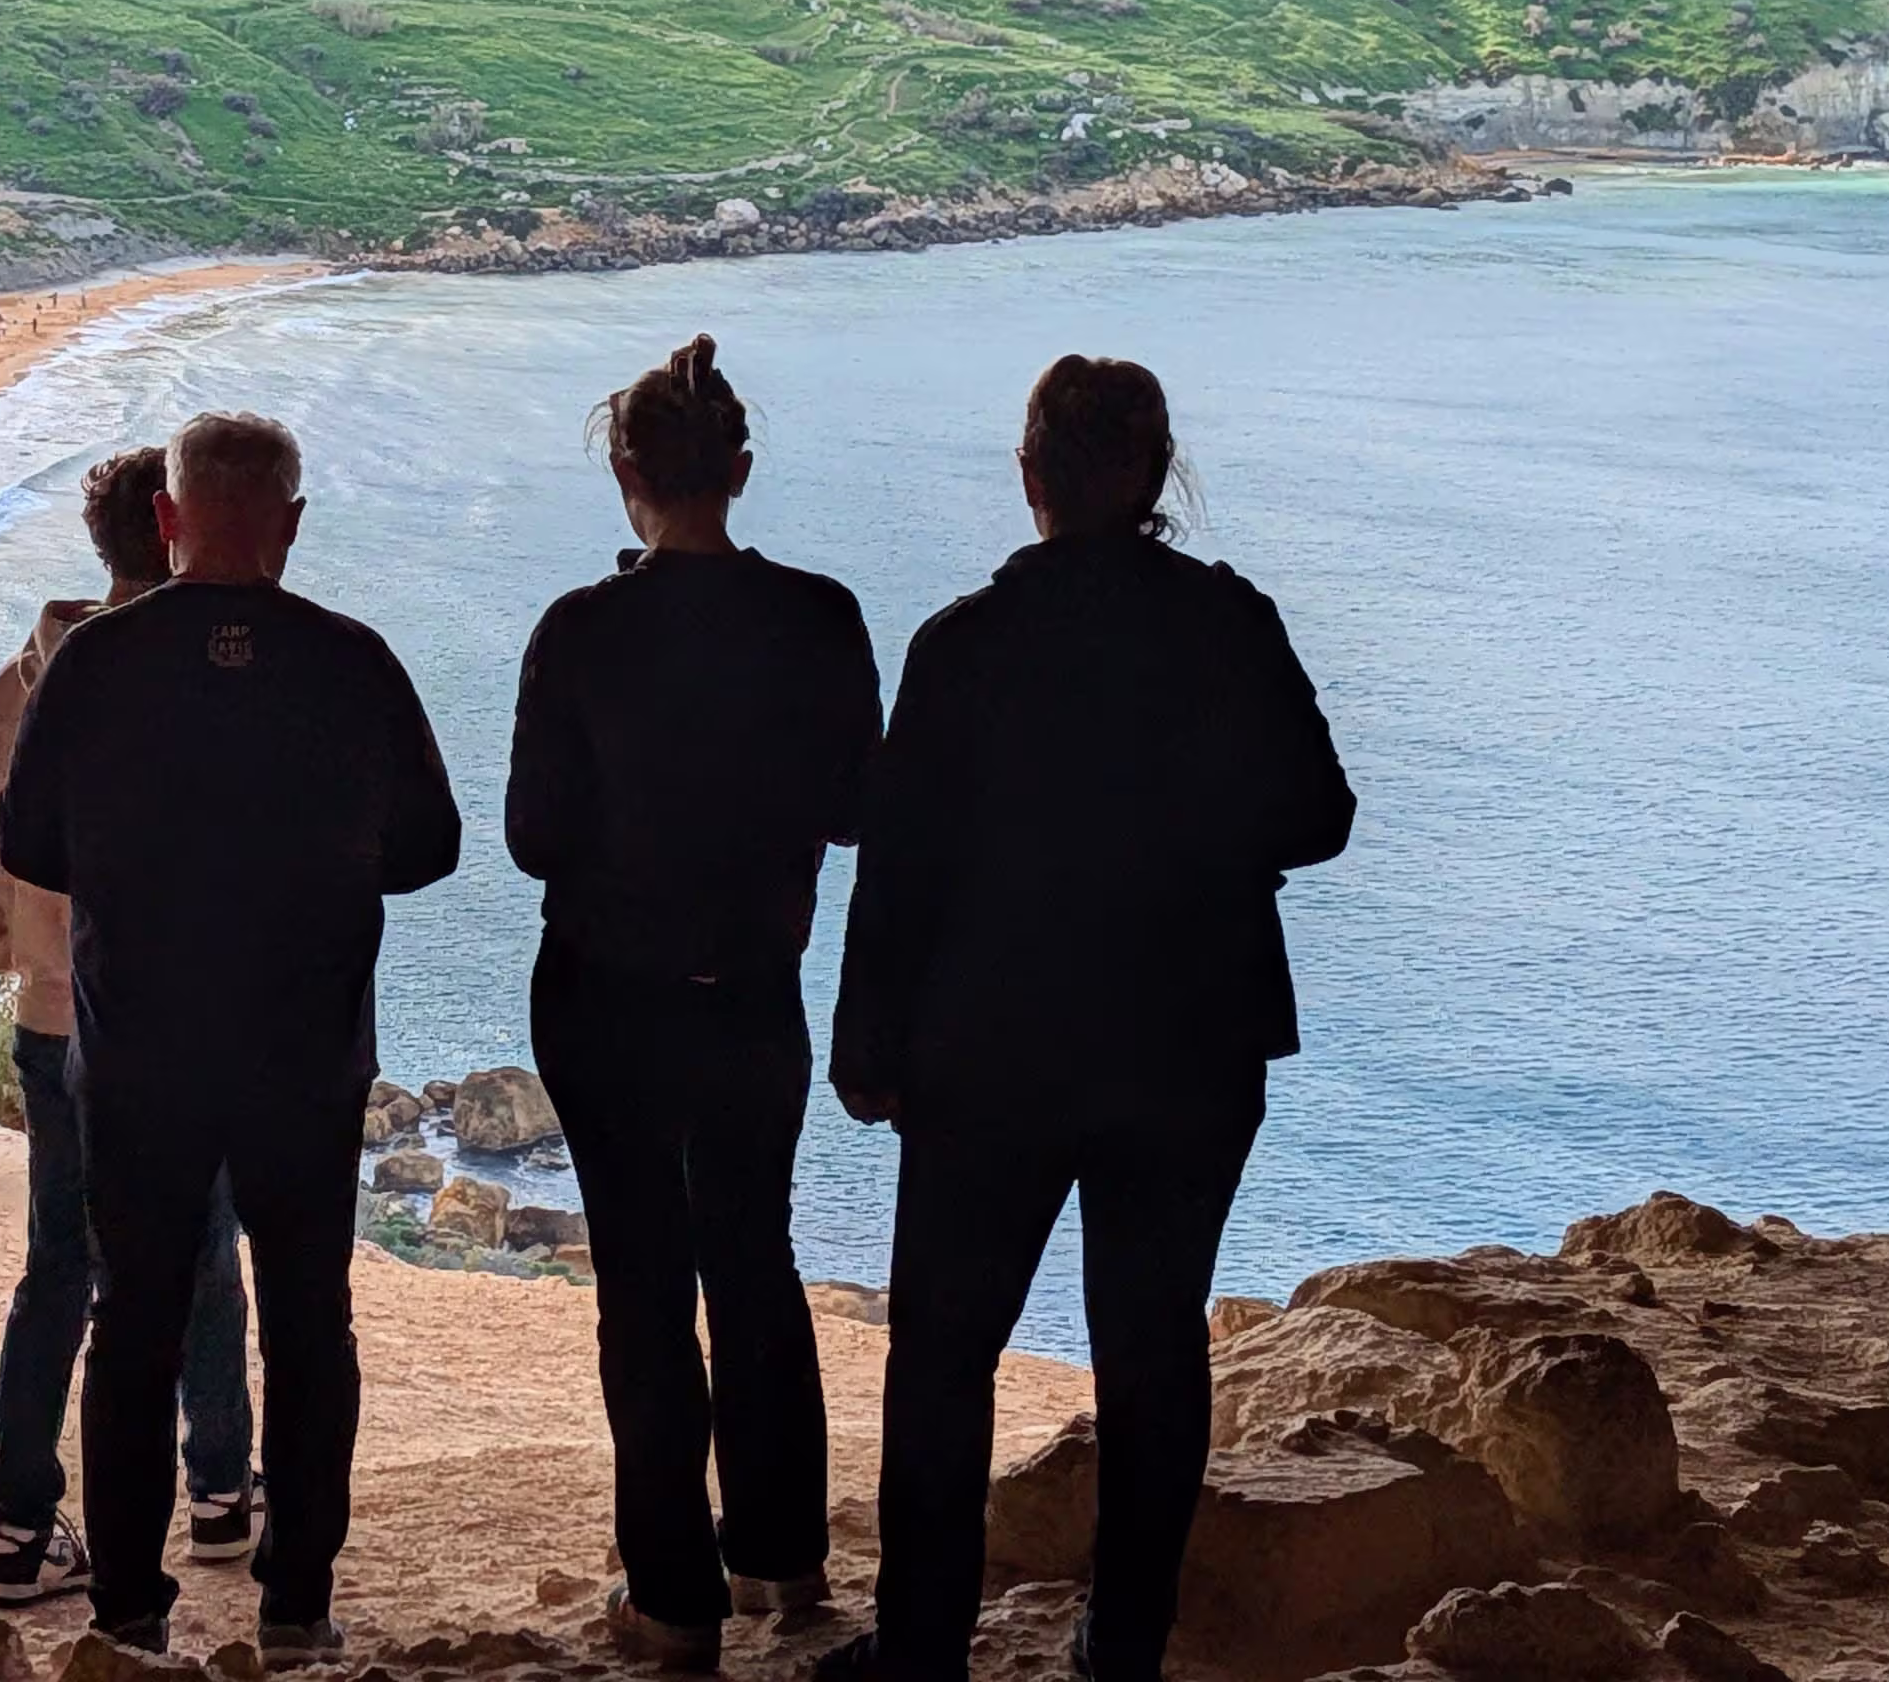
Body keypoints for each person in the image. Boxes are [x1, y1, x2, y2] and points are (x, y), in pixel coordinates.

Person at [820, 358, 1356, 1682]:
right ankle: (1123, 1646)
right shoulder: (1228, 625)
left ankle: (922, 1648)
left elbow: (899, 871)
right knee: (1152, 1345)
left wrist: (866, 1041)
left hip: (991, 1045)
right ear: (1156, 472)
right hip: (1191, 1040)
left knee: (943, 1355)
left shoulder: (964, 645)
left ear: (1030, 477)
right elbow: (1319, 816)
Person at [0, 413, 462, 1669]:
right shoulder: (351, 660)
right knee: (309, 1324)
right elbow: (430, 846)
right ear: (291, 525)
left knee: (134, 1322)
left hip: (140, 1051)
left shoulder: (96, 663)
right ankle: (297, 1601)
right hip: (304, 1051)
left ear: (167, 519)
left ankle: (129, 1610)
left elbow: (30, 841)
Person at [507, 337, 884, 1673]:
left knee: (644, 1281)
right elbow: (858, 810)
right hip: (752, 993)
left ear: (626, 473)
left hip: (604, 993)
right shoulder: (821, 617)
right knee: (755, 1254)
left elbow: (534, 839)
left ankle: (671, 1601)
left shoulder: (580, 630)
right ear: (739, 468)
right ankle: (780, 1557)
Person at [0, 447, 257, 1607]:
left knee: (57, 1270)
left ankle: (19, 1525)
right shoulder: (209, 680)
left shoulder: (18, 685)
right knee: (204, 1253)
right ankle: (218, 1491)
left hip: (55, 1021)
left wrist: (35, 968)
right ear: (180, 530)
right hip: (184, 1021)